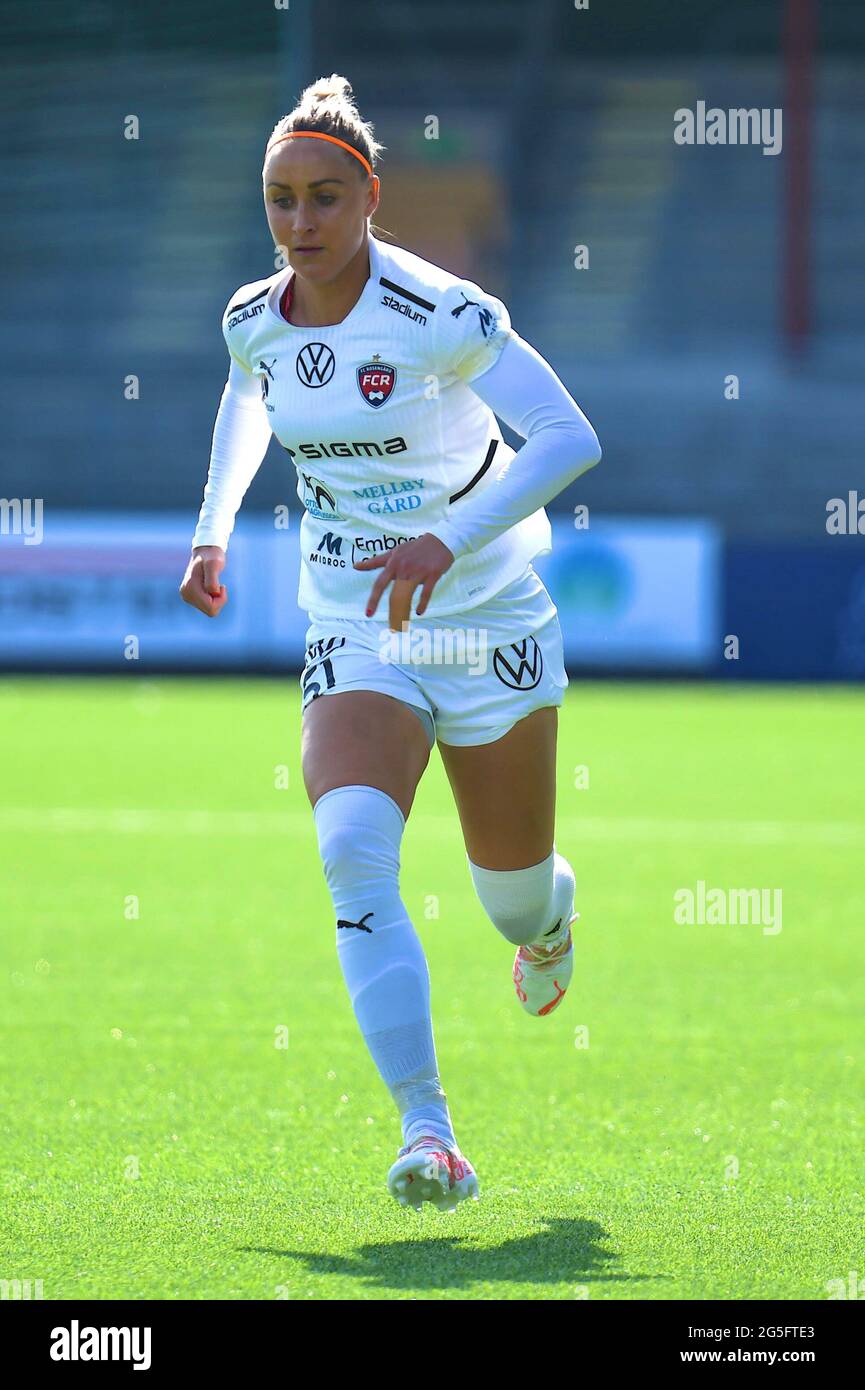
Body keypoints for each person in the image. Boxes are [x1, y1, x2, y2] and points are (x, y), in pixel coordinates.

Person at [180, 74, 602, 1214]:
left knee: (508, 896)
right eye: (279, 201)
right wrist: (214, 528)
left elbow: (569, 436)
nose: (300, 223)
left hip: (489, 615)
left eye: (322, 198)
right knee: (354, 851)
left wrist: (442, 539)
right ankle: (430, 1134)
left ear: (369, 196)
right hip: (355, 620)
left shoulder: (442, 313)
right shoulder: (252, 316)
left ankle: (549, 919)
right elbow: (250, 395)